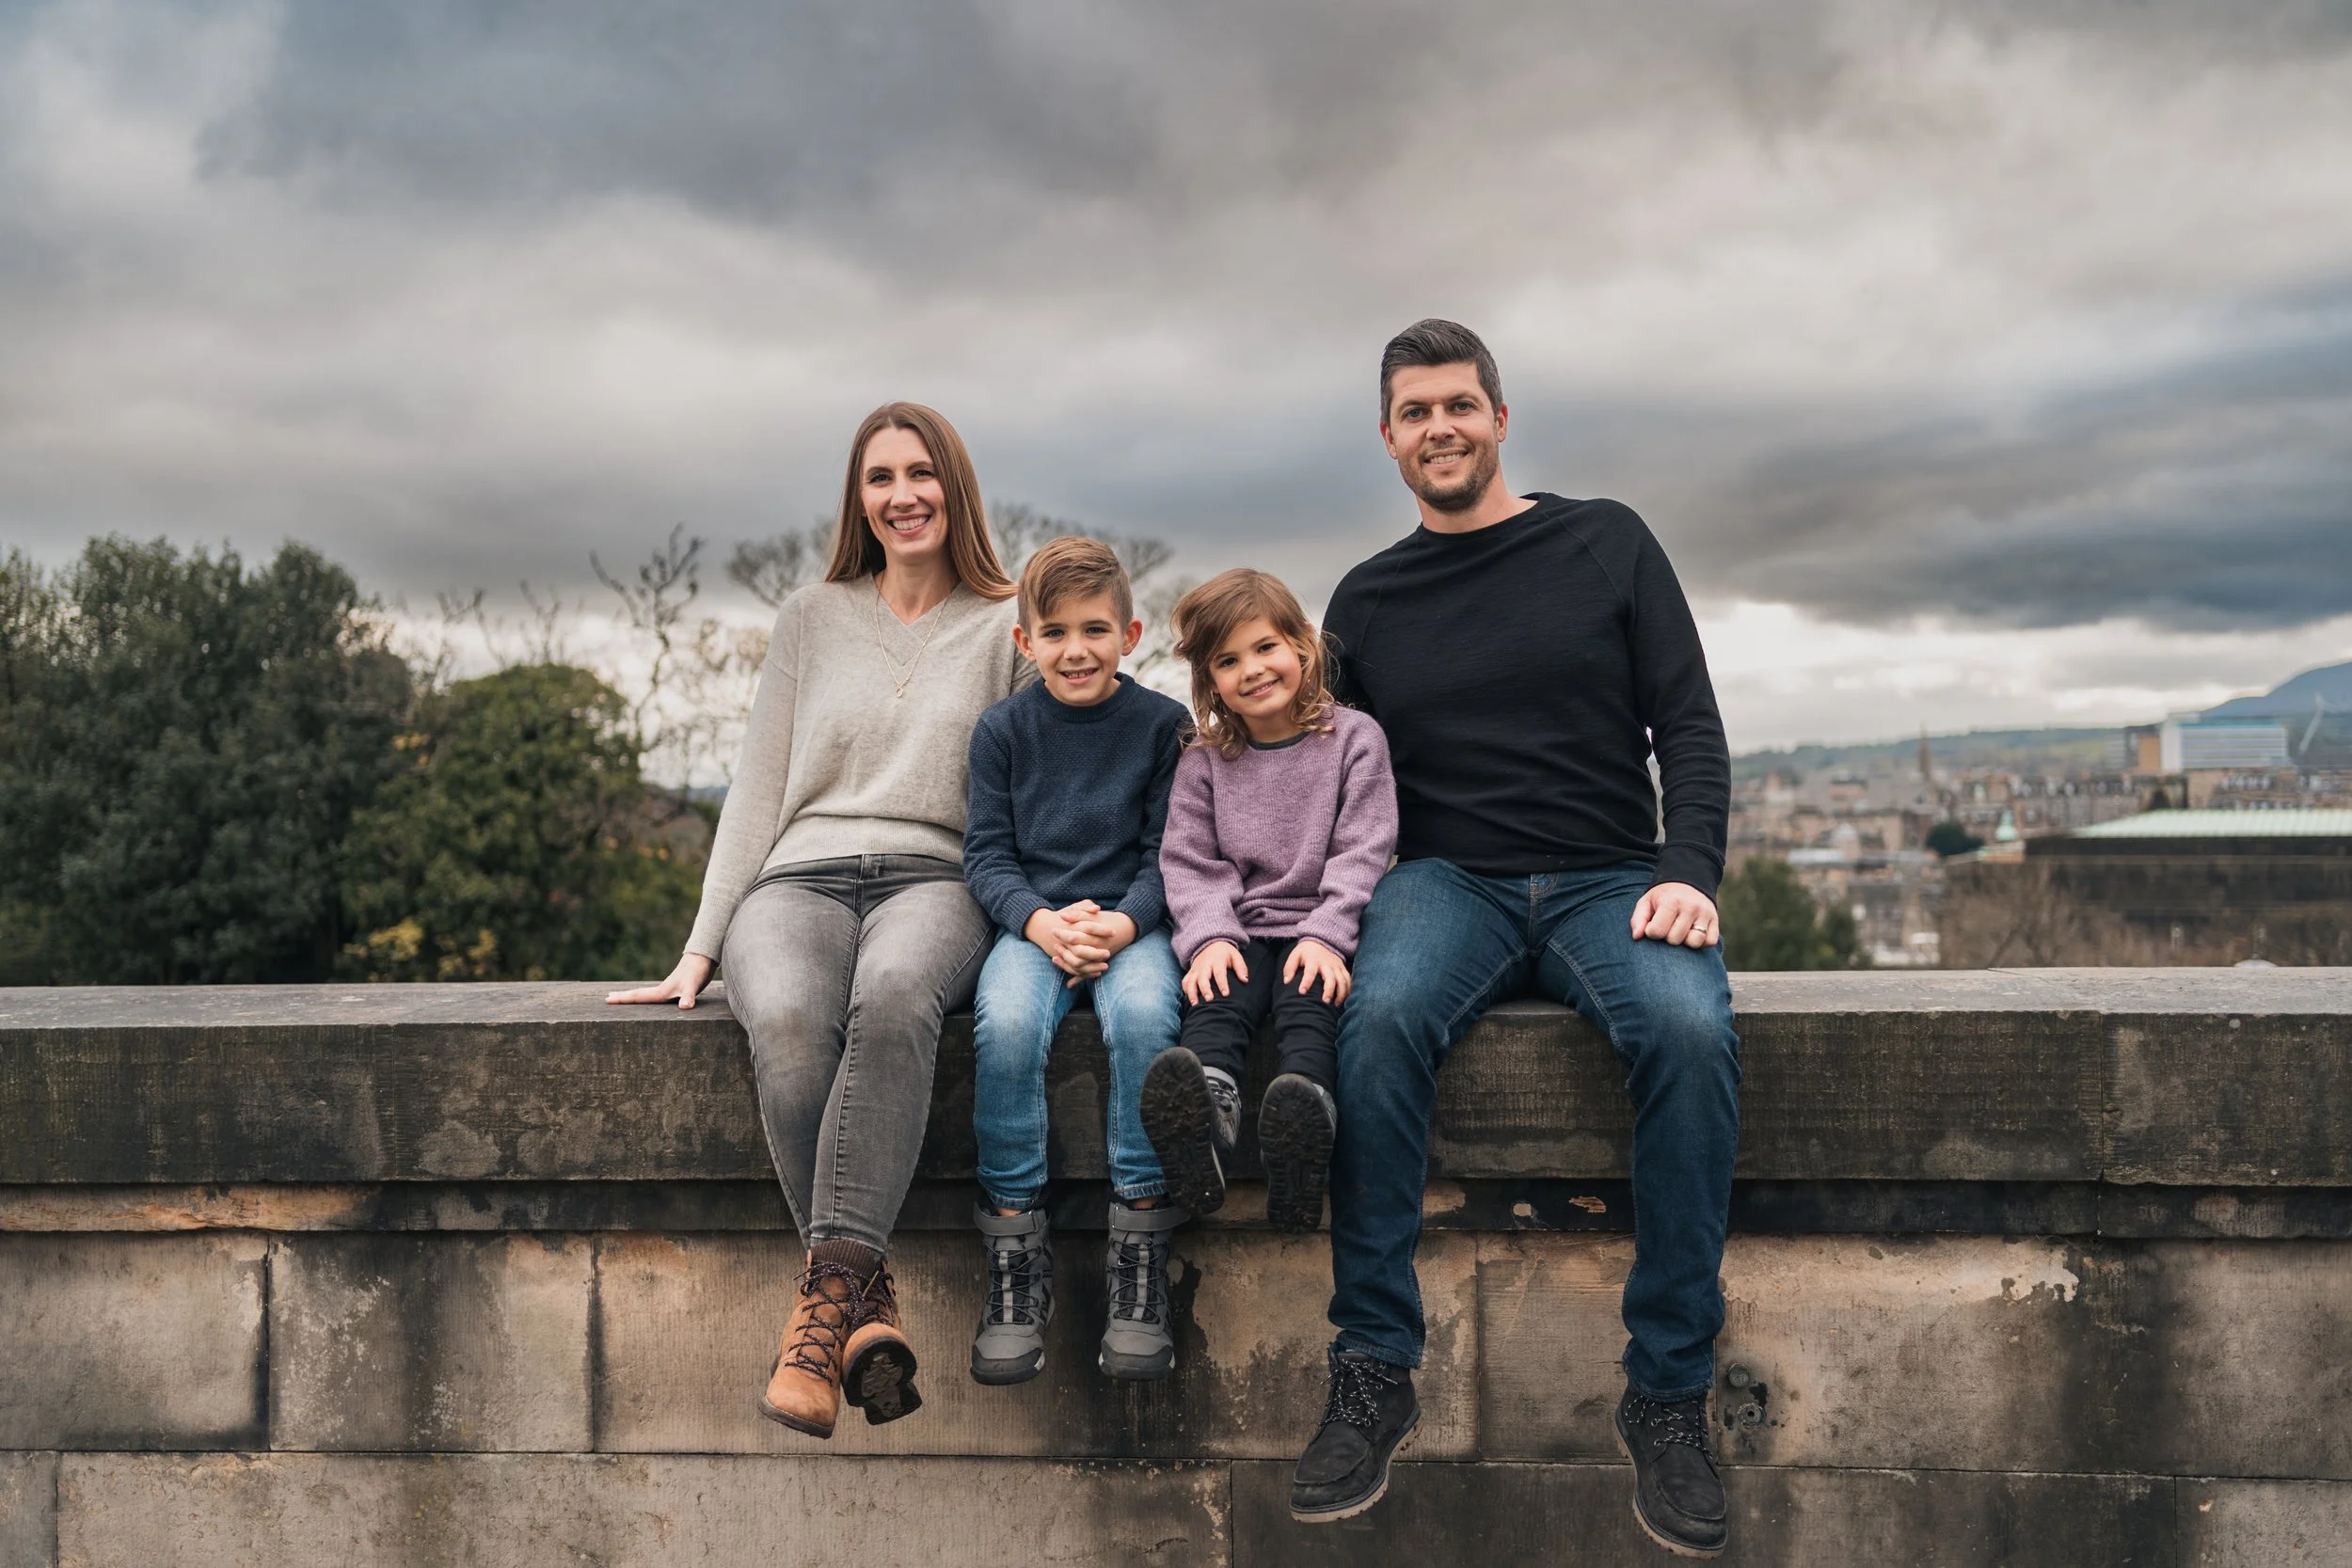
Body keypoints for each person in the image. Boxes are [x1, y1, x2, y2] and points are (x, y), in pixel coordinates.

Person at [1294, 321, 1739, 1557]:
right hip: (1446, 881)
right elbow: (1324, 779)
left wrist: (1689, 869)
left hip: (1611, 877)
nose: (1438, 426)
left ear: (1498, 416)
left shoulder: (1608, 540)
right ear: (1388, 439)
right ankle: (1376, 1365)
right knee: (1373, 1022)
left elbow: (1690, 724)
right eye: (1413, 411)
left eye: (1458, 404)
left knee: (1692, 1029)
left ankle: (1667, 1390)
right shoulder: (1367, 600)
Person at [607, 402, 1029, 1442]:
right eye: (880, 478)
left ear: (956, 487)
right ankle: (859, 1306)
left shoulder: (1014, 617)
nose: (902, 495)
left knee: (890, 998)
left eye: (921, 472)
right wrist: (702, 944)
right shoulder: (810, 615)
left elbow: (1068, 754)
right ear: (860, 500)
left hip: (936, 874)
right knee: (790, 1014)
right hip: (796, 874)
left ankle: (815, 1324)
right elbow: (754, 786)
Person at [960, 536, 1192, 1386]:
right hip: (1037, 928)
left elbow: (1174, 850)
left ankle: (1140, 1238)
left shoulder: (1164, 725)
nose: (1076, 649)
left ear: (1130, 635)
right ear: (1026, 643)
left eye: (1095, 630)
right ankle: (1016, 1242)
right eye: (1054, 633)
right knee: (1010, 1023)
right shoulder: (1003, 730)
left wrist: (1123, 928)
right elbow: (985, 855)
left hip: (1134, 927)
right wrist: (1041, 924)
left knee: (1142, 1019)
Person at [1144, 569, 1398, 1234]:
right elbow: (1191, 861)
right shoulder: (1205, 759)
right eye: (1228, 661)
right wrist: (1209, 937)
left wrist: (1328, 932)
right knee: (1215, 998)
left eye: (1265, 648)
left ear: (1303, 647)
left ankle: (1301, 1138)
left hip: (1320, 926)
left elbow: (1364, 847)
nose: (1251, 670)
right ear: (1210, 680)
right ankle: (1205, 1124)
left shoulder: (1354, 739)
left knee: (1308, 1003)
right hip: (1241, 925)